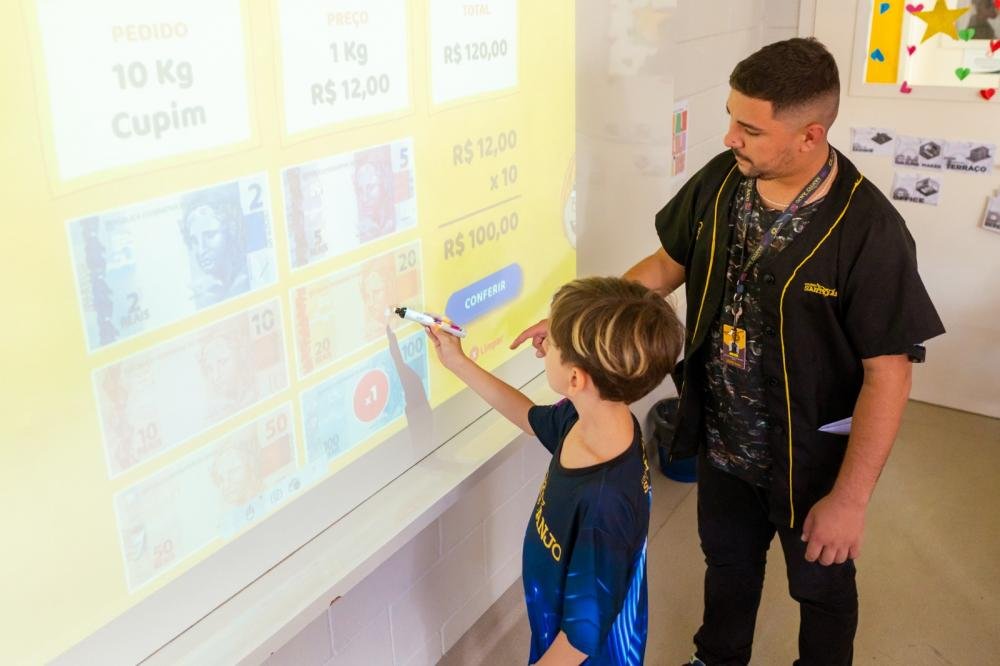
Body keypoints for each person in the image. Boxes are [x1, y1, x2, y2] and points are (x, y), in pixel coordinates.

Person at [513, 38, 945, 665]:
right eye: (731, 118)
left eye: (750, 128)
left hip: (811, 459)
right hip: (721, 441)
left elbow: (889, 375)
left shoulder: (869, 232)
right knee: (728, 564)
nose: (729, 138)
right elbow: (665, 265)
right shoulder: (723, 181)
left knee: (821, 588)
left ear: (810, 135)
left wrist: (850, 502)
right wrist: (578, 323)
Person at [429, 277, 684, 664]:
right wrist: (458, 362)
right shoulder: (593, 418)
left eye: (553, 343)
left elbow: (580, 641)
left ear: (576, 379)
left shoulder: (606, 504)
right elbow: (529, 417)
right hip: (553, 626)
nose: (544, 345)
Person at [179, 189, 250, 308]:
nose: (201, 250)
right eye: (194, 241)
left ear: (231, 231)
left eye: (210, 235)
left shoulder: (248, 280)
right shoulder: (201, 294)